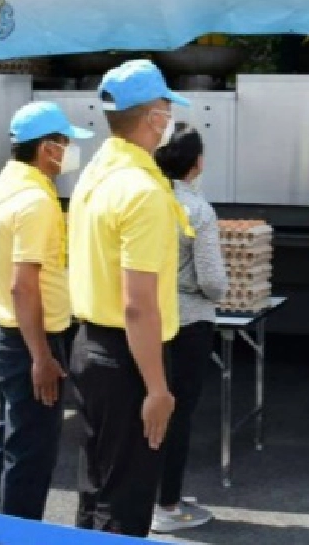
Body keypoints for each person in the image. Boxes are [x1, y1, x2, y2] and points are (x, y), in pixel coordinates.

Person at [68, 59, 191, 536]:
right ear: (154, 118)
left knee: (96, 488)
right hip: (130, 357)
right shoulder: (144, 191)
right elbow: (139, 303)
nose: (169, 121)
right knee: (126, 499)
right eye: (165, 110)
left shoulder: (95, 177)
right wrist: (158, 389)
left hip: (91, 345)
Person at [0, 101, 92, 521]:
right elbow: (23, 285)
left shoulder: (1, 188)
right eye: (65, 143)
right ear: (47, 148)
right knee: (30, 459)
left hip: (6, 333)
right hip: (32, 342)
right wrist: (42, 357)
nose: (69, 152)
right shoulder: (36, 202)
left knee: (9, 447)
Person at [151, 128, 227, 533]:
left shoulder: (145, 197)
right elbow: (212, 279)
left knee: (146, 405)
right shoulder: (197, 209)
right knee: (177, 412)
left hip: (146, 316)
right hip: (188, 318)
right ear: (196, 164)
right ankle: (167, 503)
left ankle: (150, 491)